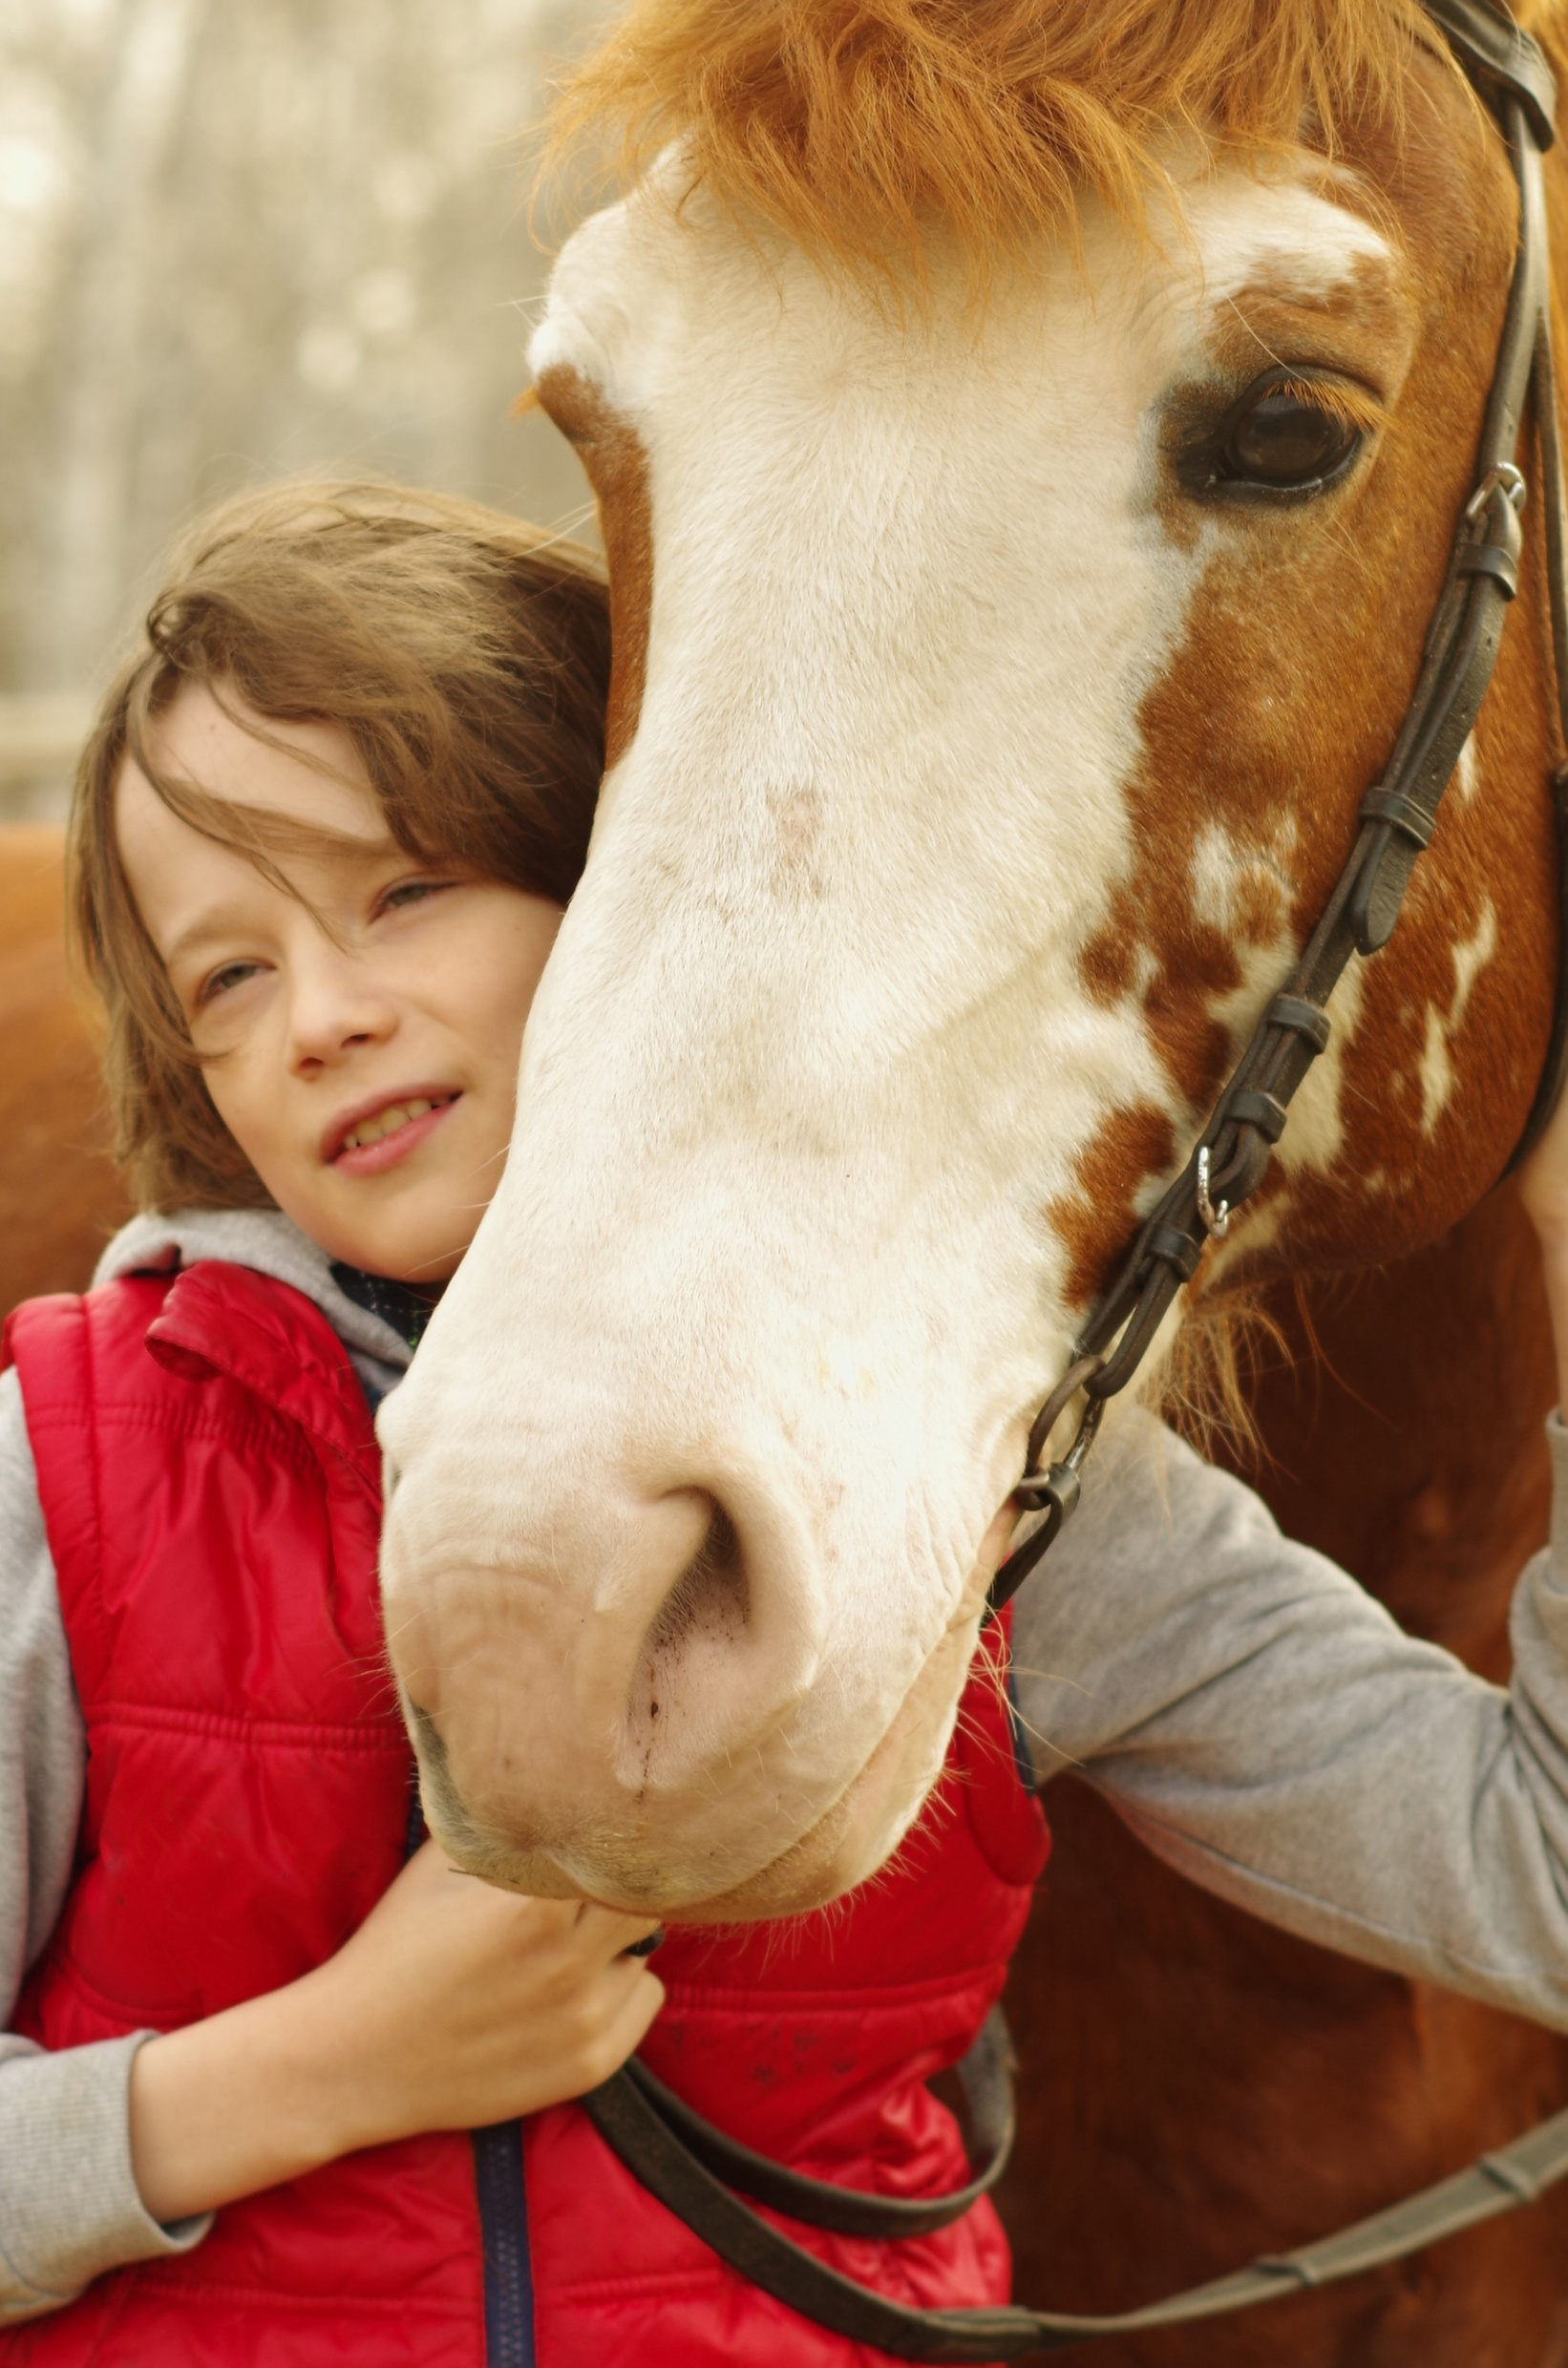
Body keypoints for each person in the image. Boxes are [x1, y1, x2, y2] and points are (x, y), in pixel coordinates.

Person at [0, 480, 1040, 2367]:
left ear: (627, 881)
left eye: (402, 887)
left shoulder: (966, 1446)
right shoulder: (59, 1472)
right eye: (228, 974)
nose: (318, 1015)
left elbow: (1518, 1854)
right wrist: (318, 2069)